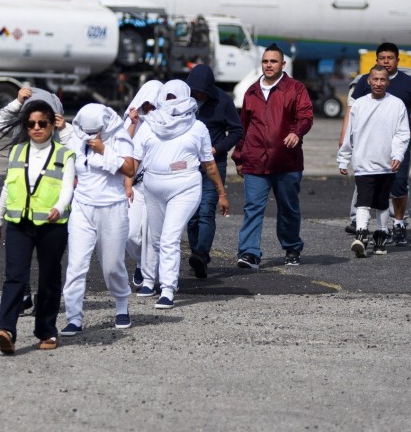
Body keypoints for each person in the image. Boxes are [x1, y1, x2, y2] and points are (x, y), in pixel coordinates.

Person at [0, 100, 75, 354]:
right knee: (15, 276)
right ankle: (6, 330)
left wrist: (59, 207)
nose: (37, 128)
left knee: (49, 278)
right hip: (18, 223)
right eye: (31, 124)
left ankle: (47, 330)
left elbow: (68, 186)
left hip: (51, 225)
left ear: (52, 125)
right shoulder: (16, 152)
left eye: (42, 123)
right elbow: (8, 186)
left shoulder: (64, 154)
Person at [131, 80, 228, 309]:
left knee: (169, 237)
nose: (172, 103)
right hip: (153, 187)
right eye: (168, 97)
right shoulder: (149, 124)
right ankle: (147, 279)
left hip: (185, 188)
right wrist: (126, 184)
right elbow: (134, 160)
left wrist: (221, 193)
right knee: (153, 237)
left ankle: (167, 288)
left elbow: (209, 165)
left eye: (177, 97)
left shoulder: (197, 128)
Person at [234, 44, 314, 268]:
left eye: (273, 61)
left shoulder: (296, 89)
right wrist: (239, 157)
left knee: (288, 208)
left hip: (286, 161)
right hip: (255, 160)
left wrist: (296, 133)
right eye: (265, 61)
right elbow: (244, 127)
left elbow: (306, 116)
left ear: (283, 64)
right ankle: (249, 253)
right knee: (252, 208)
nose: (269, 65)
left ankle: (291, 247)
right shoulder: (251, 91)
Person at [60, 104, 136, 336]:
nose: (92, 136)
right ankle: (74, 317)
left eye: (96, 131)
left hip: (112, 208)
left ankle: (122, 305)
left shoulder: (119, 136)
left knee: (112, 266)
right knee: (75, 266)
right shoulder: (76, 138)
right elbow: (68, 165)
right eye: (88, 131)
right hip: (82, 208)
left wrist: (104, 150)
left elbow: (130, 169)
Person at [340, 42, 411, 245]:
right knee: (367, 187)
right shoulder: (364, 81)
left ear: (397, 60)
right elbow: (352, 111)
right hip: (369, 147)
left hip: (399, 146)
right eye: (382, 58)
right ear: (376, 61)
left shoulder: (408, 83)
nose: (386, 61)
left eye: (390, 58)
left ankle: (398, 224)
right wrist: (344, 139)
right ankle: (362, 226)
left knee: (398, 186)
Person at [338, 65, 411, 257]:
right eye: (375, 79)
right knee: (363, 201)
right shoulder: (359, 104)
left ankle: (381, 237)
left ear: (388, 82)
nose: (378, 83)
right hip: (363, 162)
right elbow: (349, 134)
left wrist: (398, 155)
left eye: (382, 80)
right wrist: (343, 158)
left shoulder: (397, 104)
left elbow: (402, 134)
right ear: (369, 81)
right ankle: (361, 236)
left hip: (386, 164)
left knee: (382, 203)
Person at [185, 64, 243, 278]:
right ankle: (196, 256)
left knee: (206, 210)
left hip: (213, 164)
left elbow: (237, 131)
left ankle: (201, 254)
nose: (198, 95)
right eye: (195, 91)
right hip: (188, 164)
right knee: (191, 215)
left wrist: (218, 148)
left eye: (202, 92)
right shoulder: (184, 98)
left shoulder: (223, 101)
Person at [123, 80, 164, 288]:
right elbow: (120, 147)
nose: (149, 109)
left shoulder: (168, 122)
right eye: (146, 104)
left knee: (153, 234)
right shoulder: (132, 122)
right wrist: (132, 123)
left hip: (159, 186)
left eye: (154, 105)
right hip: (135, 185)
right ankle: (141, 262)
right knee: (131, 234)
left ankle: (152, 275)